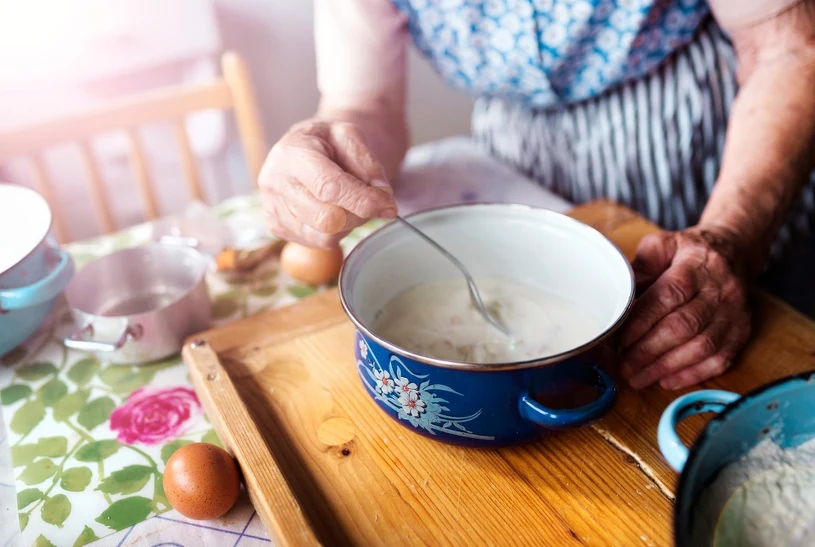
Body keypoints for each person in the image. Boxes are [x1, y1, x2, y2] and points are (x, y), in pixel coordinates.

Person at [258, 0, 815, 391]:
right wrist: (329, 148)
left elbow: (787, 50)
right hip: (514, 171)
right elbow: (365, 103)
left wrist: (732, 235)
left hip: (716, 163)